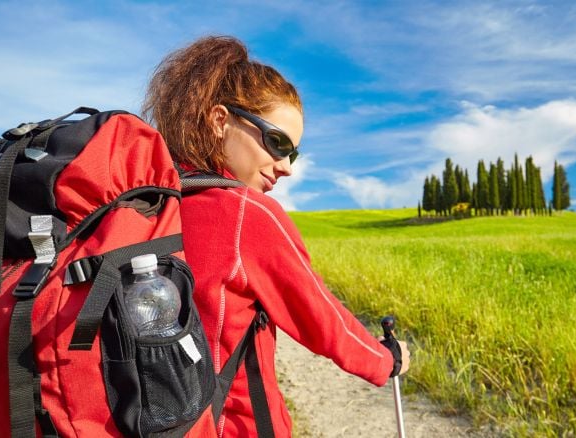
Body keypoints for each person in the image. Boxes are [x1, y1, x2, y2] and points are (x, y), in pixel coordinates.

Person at [142, 35, 410, 437]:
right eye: (276, 141)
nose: (286, 167)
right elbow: (322, 318)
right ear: (220, 121)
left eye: (293, 153)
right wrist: (385, 358)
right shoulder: (245, 212)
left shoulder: (156, 201)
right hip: (230, 427)